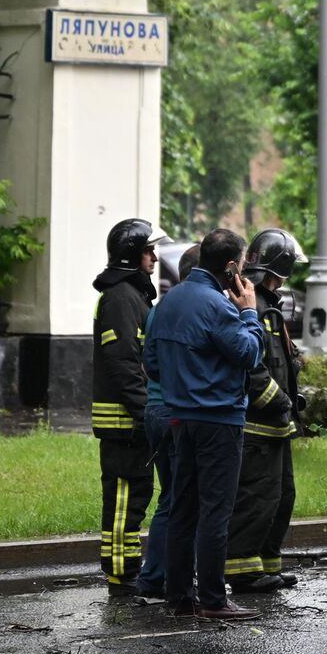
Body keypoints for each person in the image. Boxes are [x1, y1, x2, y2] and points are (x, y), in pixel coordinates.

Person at [144, 229, 267, 622]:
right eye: (243, 262)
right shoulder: (218, 306)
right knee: (215, 510)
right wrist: (249, 310)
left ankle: (179, 597)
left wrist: (186, 382)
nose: (245, 269)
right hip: (219, 420)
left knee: (183, 508)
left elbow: (152, 364)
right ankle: (213, 599)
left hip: (180, 419)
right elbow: (249, 353)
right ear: (232, 267)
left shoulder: (169, 301)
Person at [224, 229, 307, 593]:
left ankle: (267, 564)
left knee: (280, 496)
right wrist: (280, 400)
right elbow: (251, 368)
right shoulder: (252, 306)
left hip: (276, 425)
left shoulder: (266, 304)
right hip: (257, 425)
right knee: (257, 497)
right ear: (281, 267)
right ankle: (242, 570)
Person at [91, 218, 167, 597]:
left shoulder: (131, 295)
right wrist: (144, 411)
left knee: (135, 495)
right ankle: (121, 573)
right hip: (124, 421)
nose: (154, 257)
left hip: (131, 419)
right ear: (132, 256)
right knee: (124, 498)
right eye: (148, 251)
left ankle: (126, 569)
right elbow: (123, 362)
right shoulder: (121, 297)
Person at [133, 244, 200, 605]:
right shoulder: (195, 308)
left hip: (155, 409)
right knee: (182, 499)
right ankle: (163, 576)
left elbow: (150, 362)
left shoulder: (159, 310)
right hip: (177, 412)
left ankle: (157, 575)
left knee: (170, 496)